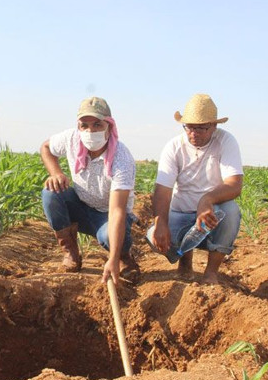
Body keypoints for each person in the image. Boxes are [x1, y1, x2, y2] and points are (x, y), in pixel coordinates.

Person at [41, 96, 139, 284]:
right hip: (81, 205)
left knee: (110, 236)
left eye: (97, 125)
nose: (90, 131)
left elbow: (117, 210)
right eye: (84, 125)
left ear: (109, 127)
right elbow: (46, 147)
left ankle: (123, 257)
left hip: (108, 214)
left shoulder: (122, 158)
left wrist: (112, 260)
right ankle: (71, 253)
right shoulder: (71, 139)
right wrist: (56, 173)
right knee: (50, 192)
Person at [147, 93, 243, 284]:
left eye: (201, 128)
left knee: (231, 211)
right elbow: (163, 191)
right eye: (189, 127)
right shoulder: (174, 147)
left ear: (214, 126)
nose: (194, 133)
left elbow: (234, 184)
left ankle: (211, 272)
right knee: (153, 237)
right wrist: (161, 224)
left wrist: (206, 200)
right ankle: (185, 261)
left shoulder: (225, 142)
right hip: (181, 211)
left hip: (212, 213)